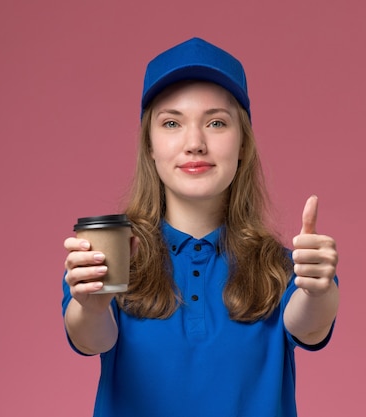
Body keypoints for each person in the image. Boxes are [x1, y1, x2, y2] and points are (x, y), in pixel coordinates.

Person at [61, 37, 340, 417]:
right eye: (172, 123)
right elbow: (92, 338)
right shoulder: (109, 258)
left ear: (243, 143)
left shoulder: (289, 266)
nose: (195, 143)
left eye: (216, 122)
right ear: (149, 146)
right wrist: (92, 306)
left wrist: (319, 288)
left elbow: (309, 327)